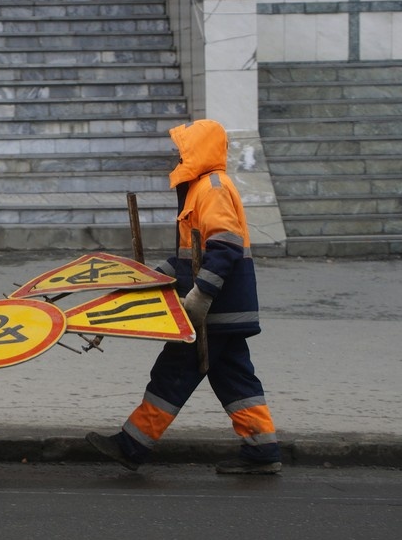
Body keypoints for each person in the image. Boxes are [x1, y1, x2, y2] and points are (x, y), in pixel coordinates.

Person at [86, 119, 282, 474]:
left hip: (214, 310)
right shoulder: (201, 188)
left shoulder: (212, 188)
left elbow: (224, 248)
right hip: (227, 310)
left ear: (197, 151)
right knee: (235, 380)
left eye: (181, 151)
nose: (176, 158)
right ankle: (262, 448)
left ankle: (132, 445)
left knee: (172, 373)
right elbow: (188, 257)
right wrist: (152, 277)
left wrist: (201, 297)